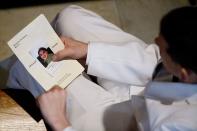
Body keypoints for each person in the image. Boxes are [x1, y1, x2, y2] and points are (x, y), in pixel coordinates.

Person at [2, 5, 197, 131]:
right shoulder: (183, 63)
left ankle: (9, 91)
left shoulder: (183, 124)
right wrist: (89, 52)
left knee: (29, 69)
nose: (155, 41)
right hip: (145, 81)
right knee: (70, 17)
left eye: (163, 45)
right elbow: (153, 58)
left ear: (184, 74)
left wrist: (59, 122)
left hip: (132, 125)